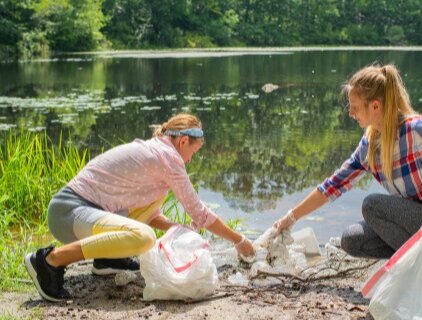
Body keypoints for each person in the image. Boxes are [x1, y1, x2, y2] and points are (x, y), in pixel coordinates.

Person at [273, 64, 422, 291]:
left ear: (375, 106)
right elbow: (332, 186)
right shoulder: (370, 145)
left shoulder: (418, 131)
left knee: (373, 205)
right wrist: (290, 218)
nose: (350, 113)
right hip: (419, 223)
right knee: (352, 239)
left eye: (355, 107)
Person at [25, 113, 255, 302]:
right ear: (183, 141)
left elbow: (151, 214)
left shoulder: (157, 153)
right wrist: (240, 241)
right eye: (193, 154)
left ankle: (107, 260)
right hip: (69, 212)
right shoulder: (168, 158)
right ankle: (49, 261)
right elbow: (200, 213)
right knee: (144, 238)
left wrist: (177, 228)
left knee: (153, 207)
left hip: (81, 213)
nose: (190, 161)